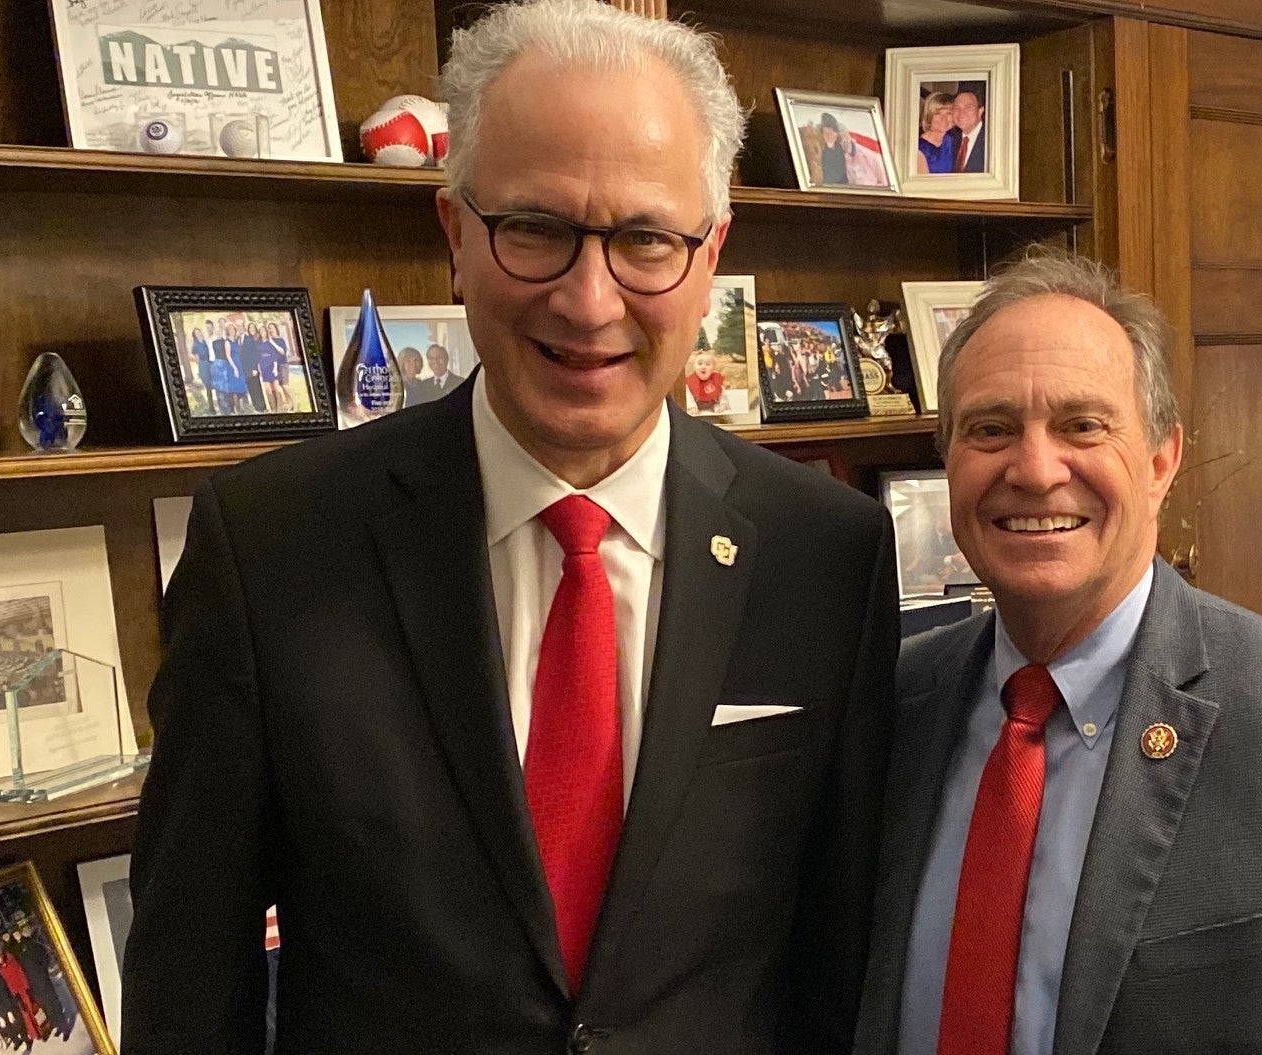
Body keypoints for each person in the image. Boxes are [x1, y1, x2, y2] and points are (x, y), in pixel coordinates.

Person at [122, 0, 897, 1051]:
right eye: (534, 228)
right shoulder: (269, 544)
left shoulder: (828, 553)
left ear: (710, 253)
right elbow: (189, 980)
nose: (588, 300)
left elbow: (835, 961)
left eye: (645, 239)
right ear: (454, 232)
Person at [854, 250, 1262, 1055]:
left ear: (1162, 459)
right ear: (947, 456)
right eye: (989, 428)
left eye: (1081, 425)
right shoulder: (889, 702)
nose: (1033, 468)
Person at [916, 91, 960, 174]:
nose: (943, 118)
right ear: (929, 115)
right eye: (937, 113)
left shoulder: (954, 139)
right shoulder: (919, 148)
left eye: (949, 113)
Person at [950, 88, 986, 173]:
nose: (961, 113)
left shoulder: (992, 140)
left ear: (980, 111)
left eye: (968, 107)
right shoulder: (950, 139)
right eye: (956, 108)